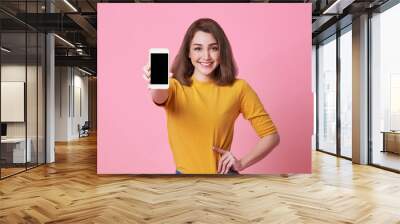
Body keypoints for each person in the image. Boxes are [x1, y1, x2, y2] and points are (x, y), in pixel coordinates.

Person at [143, 18, 280, 174]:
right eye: (198, 48)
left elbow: (271, 136)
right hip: (183, 182)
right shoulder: (174, 86)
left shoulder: (239, 88)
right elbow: (159, 97)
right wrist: (156, 82)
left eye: (213, 48)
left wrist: (241, 163)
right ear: (188, 52)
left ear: (222, 51)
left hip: (222, 181)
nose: (206, 56)